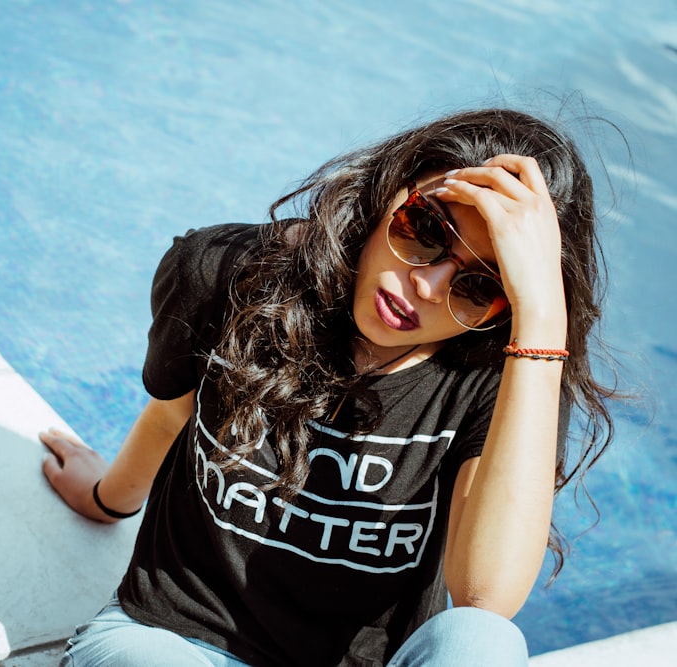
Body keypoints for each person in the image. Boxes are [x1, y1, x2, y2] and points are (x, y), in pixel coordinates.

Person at [40, 108, 615, 667]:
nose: (427, 283)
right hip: (175, 643)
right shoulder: (229, 273)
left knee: (483, 644)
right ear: (389, 189)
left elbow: (485, 599)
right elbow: (171, 416)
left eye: (477, 285)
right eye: (425, 229)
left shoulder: (509, 376)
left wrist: (540, 316)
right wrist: (104, 498)